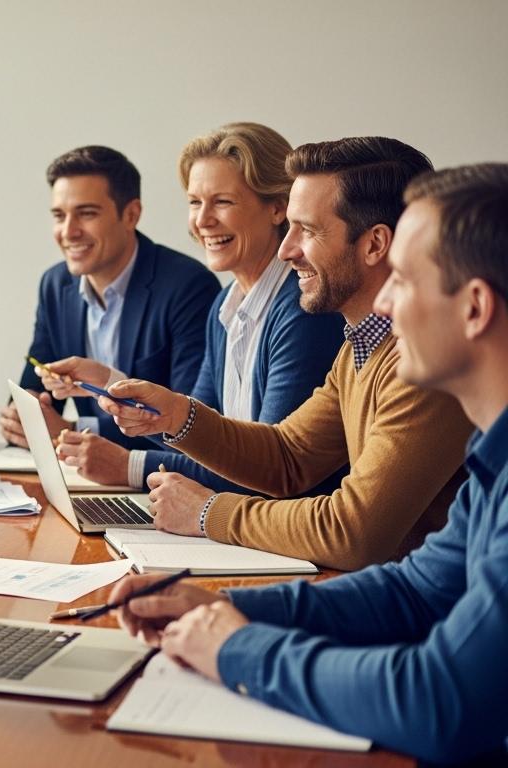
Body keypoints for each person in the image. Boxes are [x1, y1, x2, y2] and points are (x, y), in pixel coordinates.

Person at [109, 163, 508, 764]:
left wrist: (238, 647)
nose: (390, 303)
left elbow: (441, 699)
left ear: (474, 308)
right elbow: (416, 589)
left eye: (403, 278)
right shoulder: (486, 453)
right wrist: (227, 607)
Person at [95, 137, 472, 570]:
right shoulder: (361, 346)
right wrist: (178, 415)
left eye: (307, 230)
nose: (285, 249)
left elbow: (352, 531)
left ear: (374, 244)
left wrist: (207, 512)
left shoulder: (425, 362)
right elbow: (289, 456)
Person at [42, 124, 345, 494]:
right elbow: (191, 434)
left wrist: (129, 466)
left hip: (278, 540)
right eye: (195, 202)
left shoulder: (302, 310)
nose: (202, 221)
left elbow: (267, 472)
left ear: (278, 207)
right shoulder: (225, 305)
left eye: (222, 202)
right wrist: (107, 382)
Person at [0, 145, 220, 451]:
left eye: (86, 214)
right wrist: (23, 418)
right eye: (59, 216)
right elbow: (34, 389)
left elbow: (191, 422)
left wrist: (74, 428)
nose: (69, 231)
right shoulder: (55, 285)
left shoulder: (188, 286)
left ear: (131, 215)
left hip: (158, 477)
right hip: (83, 475)